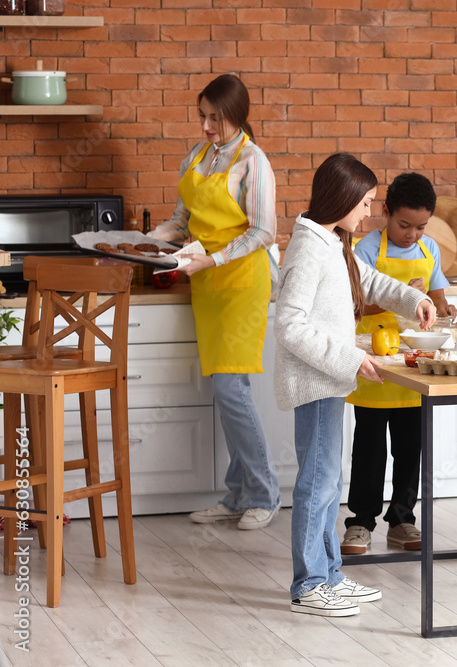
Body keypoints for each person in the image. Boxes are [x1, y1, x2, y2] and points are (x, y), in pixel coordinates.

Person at [273, 153, 436, 617]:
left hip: (328, 380)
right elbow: (288, 325)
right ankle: (309, 585)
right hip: (317, 380)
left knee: (329, 481)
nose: (368, 213)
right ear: (342, 198)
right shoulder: (308, 248)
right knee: (317, 484)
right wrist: (351, 358)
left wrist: (416, 298)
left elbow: (373, 281)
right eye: (364, 203)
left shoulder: (332, 241)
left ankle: (327, 575)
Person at [151, 74, 281, 531]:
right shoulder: (198, 156)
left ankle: (264, 493)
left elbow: (265, 231)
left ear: (237, 117)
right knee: (227, 393)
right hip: (206, 282)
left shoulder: (253, 161)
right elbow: (181, 221)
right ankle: (237, 494)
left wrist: (212, 258)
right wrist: (140, 241)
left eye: (215, 118)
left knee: (231, 390)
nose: (206, 126)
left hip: (243, 280)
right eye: (202, 116)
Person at [341, 172, 457, 554]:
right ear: (386, 213)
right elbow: (356, 302)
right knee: (370, 447)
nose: (412, 234)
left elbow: (438, 297)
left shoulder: (430, 250)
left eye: (421, 226)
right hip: (374, 361)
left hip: (415, 363)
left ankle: (403, 519)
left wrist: (443, 306)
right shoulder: (366, 248)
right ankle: (360, 522)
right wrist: (405, 296)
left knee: (411, 448)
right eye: (404, 225)